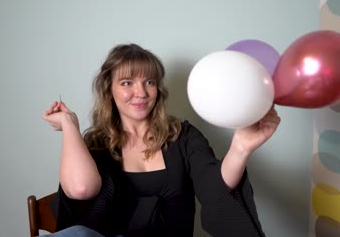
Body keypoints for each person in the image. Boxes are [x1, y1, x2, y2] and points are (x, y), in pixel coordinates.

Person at [42, 43, 281, 237]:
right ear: (109, 90)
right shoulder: (97, 145)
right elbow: (81, 189)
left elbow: (214, 188)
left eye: (149, 82)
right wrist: (69, 125)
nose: (141, 93)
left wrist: (241, 147)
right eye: (127, 83)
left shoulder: (183, 135)